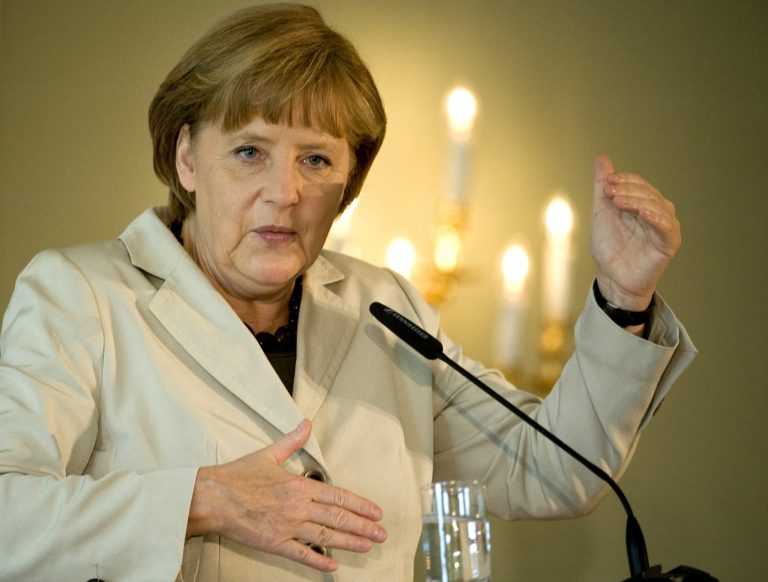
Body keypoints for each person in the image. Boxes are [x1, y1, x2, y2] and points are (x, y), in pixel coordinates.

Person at [0, 4, 696, 581]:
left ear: (348, 182)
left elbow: (549, 470)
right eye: (250, 152)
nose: (286, 192)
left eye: (316, 159)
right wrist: (200, 500)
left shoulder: (381, 305)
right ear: (186, 157)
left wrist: (622, 297)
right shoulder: (81, 294)